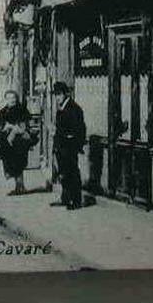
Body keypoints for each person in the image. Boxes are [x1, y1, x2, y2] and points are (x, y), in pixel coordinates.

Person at [0, 90, 38, 196]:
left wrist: (17, 127)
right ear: (6, 99)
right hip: (7, 142)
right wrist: (5, 127)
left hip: (20, 141)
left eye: (13, 98)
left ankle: (20, 186)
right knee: (10, 163)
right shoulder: (3, 111)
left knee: (19, 162)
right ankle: (18, 187)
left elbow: (26, 123)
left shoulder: (21, 109)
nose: (12, 100)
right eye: (9, 98)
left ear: (16, 99)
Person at [52, 81, 86, 210]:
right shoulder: (62, 108)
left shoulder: (74, 108)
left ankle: (75, 201)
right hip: (61, 146)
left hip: (69, 146)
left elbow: (80, 129)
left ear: (65, 94)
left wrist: (76, 144)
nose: (57, 97)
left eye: (59, 94)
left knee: (72, 172)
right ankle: (66, 198)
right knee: (63, 172)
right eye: (56, 95)